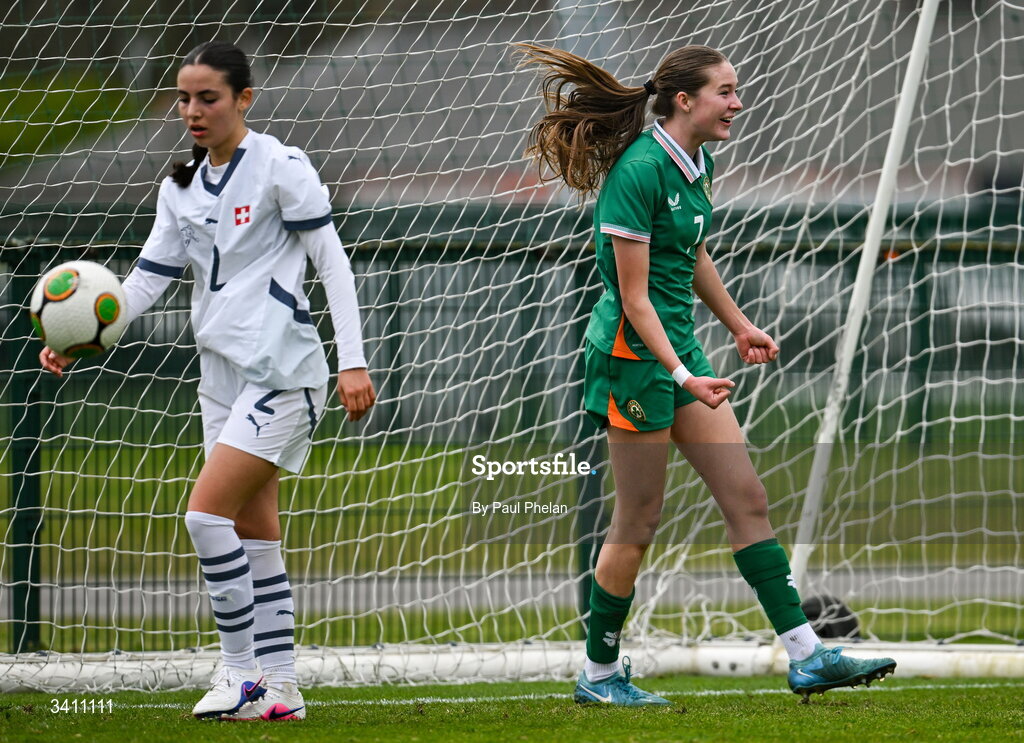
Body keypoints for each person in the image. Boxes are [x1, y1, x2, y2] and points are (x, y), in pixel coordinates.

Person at [517, 43, 896, 706]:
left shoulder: (698, 162)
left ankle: (807, 655)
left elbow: (693, 254)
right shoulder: (638, 171)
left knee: (747, 497)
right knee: (638, 521)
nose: (737, 102)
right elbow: (635, 300)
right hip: (633, 363)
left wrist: (739, 323)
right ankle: (599, 674)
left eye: (737, 89)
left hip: (679, 354)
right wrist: (682, 374)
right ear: (685, 100)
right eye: (725, 90)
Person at [39, 40, 376, 721]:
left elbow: (333, 263)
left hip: (283, 370)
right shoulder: (180, 185)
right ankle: (281, 688)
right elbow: (143, 283)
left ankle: (238, 672)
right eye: (184, 97)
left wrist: (353, 360)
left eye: (208, 97)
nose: (192, 110)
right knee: (254, 532)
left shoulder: (282, 166)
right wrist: (81, 333)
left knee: (203, 514)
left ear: (244, 99)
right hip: (219, 377)